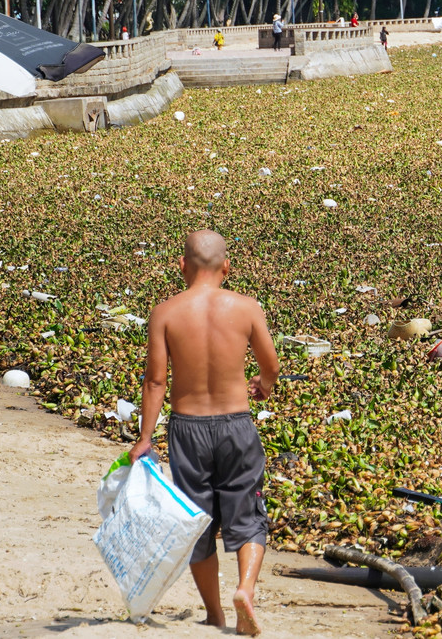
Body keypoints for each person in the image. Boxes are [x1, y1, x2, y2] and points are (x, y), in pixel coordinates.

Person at [130, 230, 280, 637]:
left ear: (182, 266)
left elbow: (155, 381)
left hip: (187, 428)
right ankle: (245, 589)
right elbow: (271, 364)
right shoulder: (246, 307)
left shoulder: (165, 312)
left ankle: (214, 616)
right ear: (227, 268)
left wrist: (145, 438)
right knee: (247, 516)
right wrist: (264, 384)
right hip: (236, 425)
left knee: (196, 521)